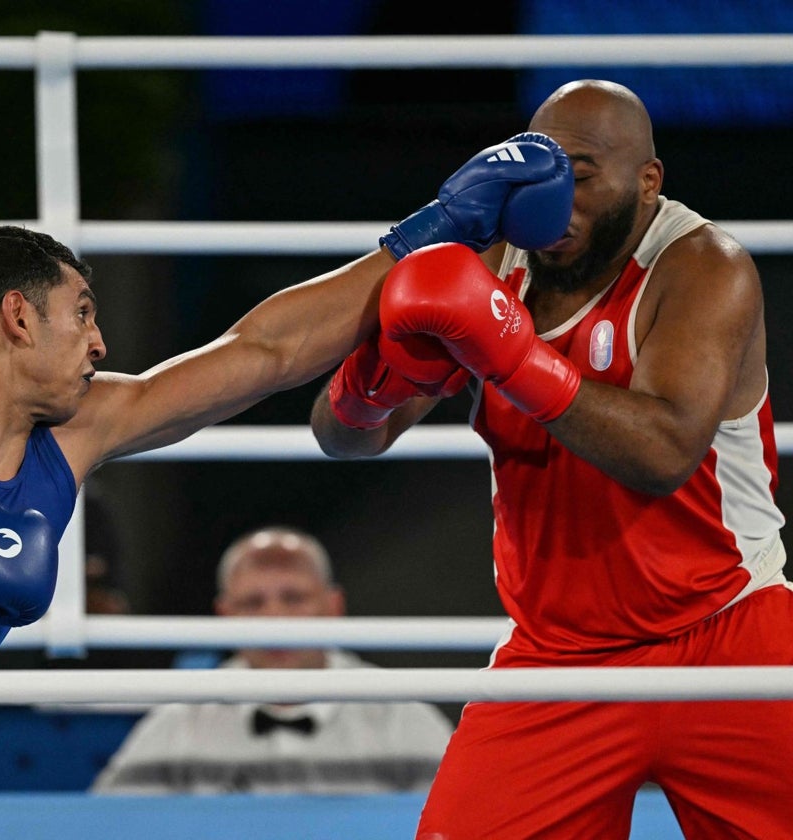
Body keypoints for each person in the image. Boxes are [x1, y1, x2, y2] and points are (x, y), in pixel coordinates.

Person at [0, 119, 573, 838]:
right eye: (83, 313)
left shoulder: (75, 434)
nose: (103, 339)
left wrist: (430, 232)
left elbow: (262, 351)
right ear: (17, 318)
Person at [311, 78, 793, 838]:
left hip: (726, 631)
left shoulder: (703, 267)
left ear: (647, 181)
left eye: (584, 173)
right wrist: (376, 380)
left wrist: (510, 354)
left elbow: (664, 449)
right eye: (544, 169)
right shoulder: (495, 260)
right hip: (557, 658)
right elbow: (346, 436)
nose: (555, 197)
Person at [91, 525, 454, 795]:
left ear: (333, 607)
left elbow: (464, 818)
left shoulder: (395, 710)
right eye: (253, 603)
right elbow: (110, 821)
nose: (275, 619)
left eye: (293, 598)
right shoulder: (186, 716)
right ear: (225, 615)